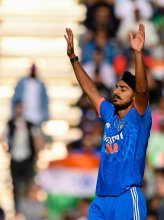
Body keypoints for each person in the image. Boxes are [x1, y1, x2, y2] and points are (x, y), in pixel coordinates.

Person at [64, 24, 152, 219]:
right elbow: (91, 91)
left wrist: (138, 53)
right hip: (101, 200)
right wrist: (73, 58)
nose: (116, 92)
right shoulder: (110, 113)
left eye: (123, 89)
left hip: (127, 197)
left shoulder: (139, 116)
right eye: (116, 87)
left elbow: (142, 90)